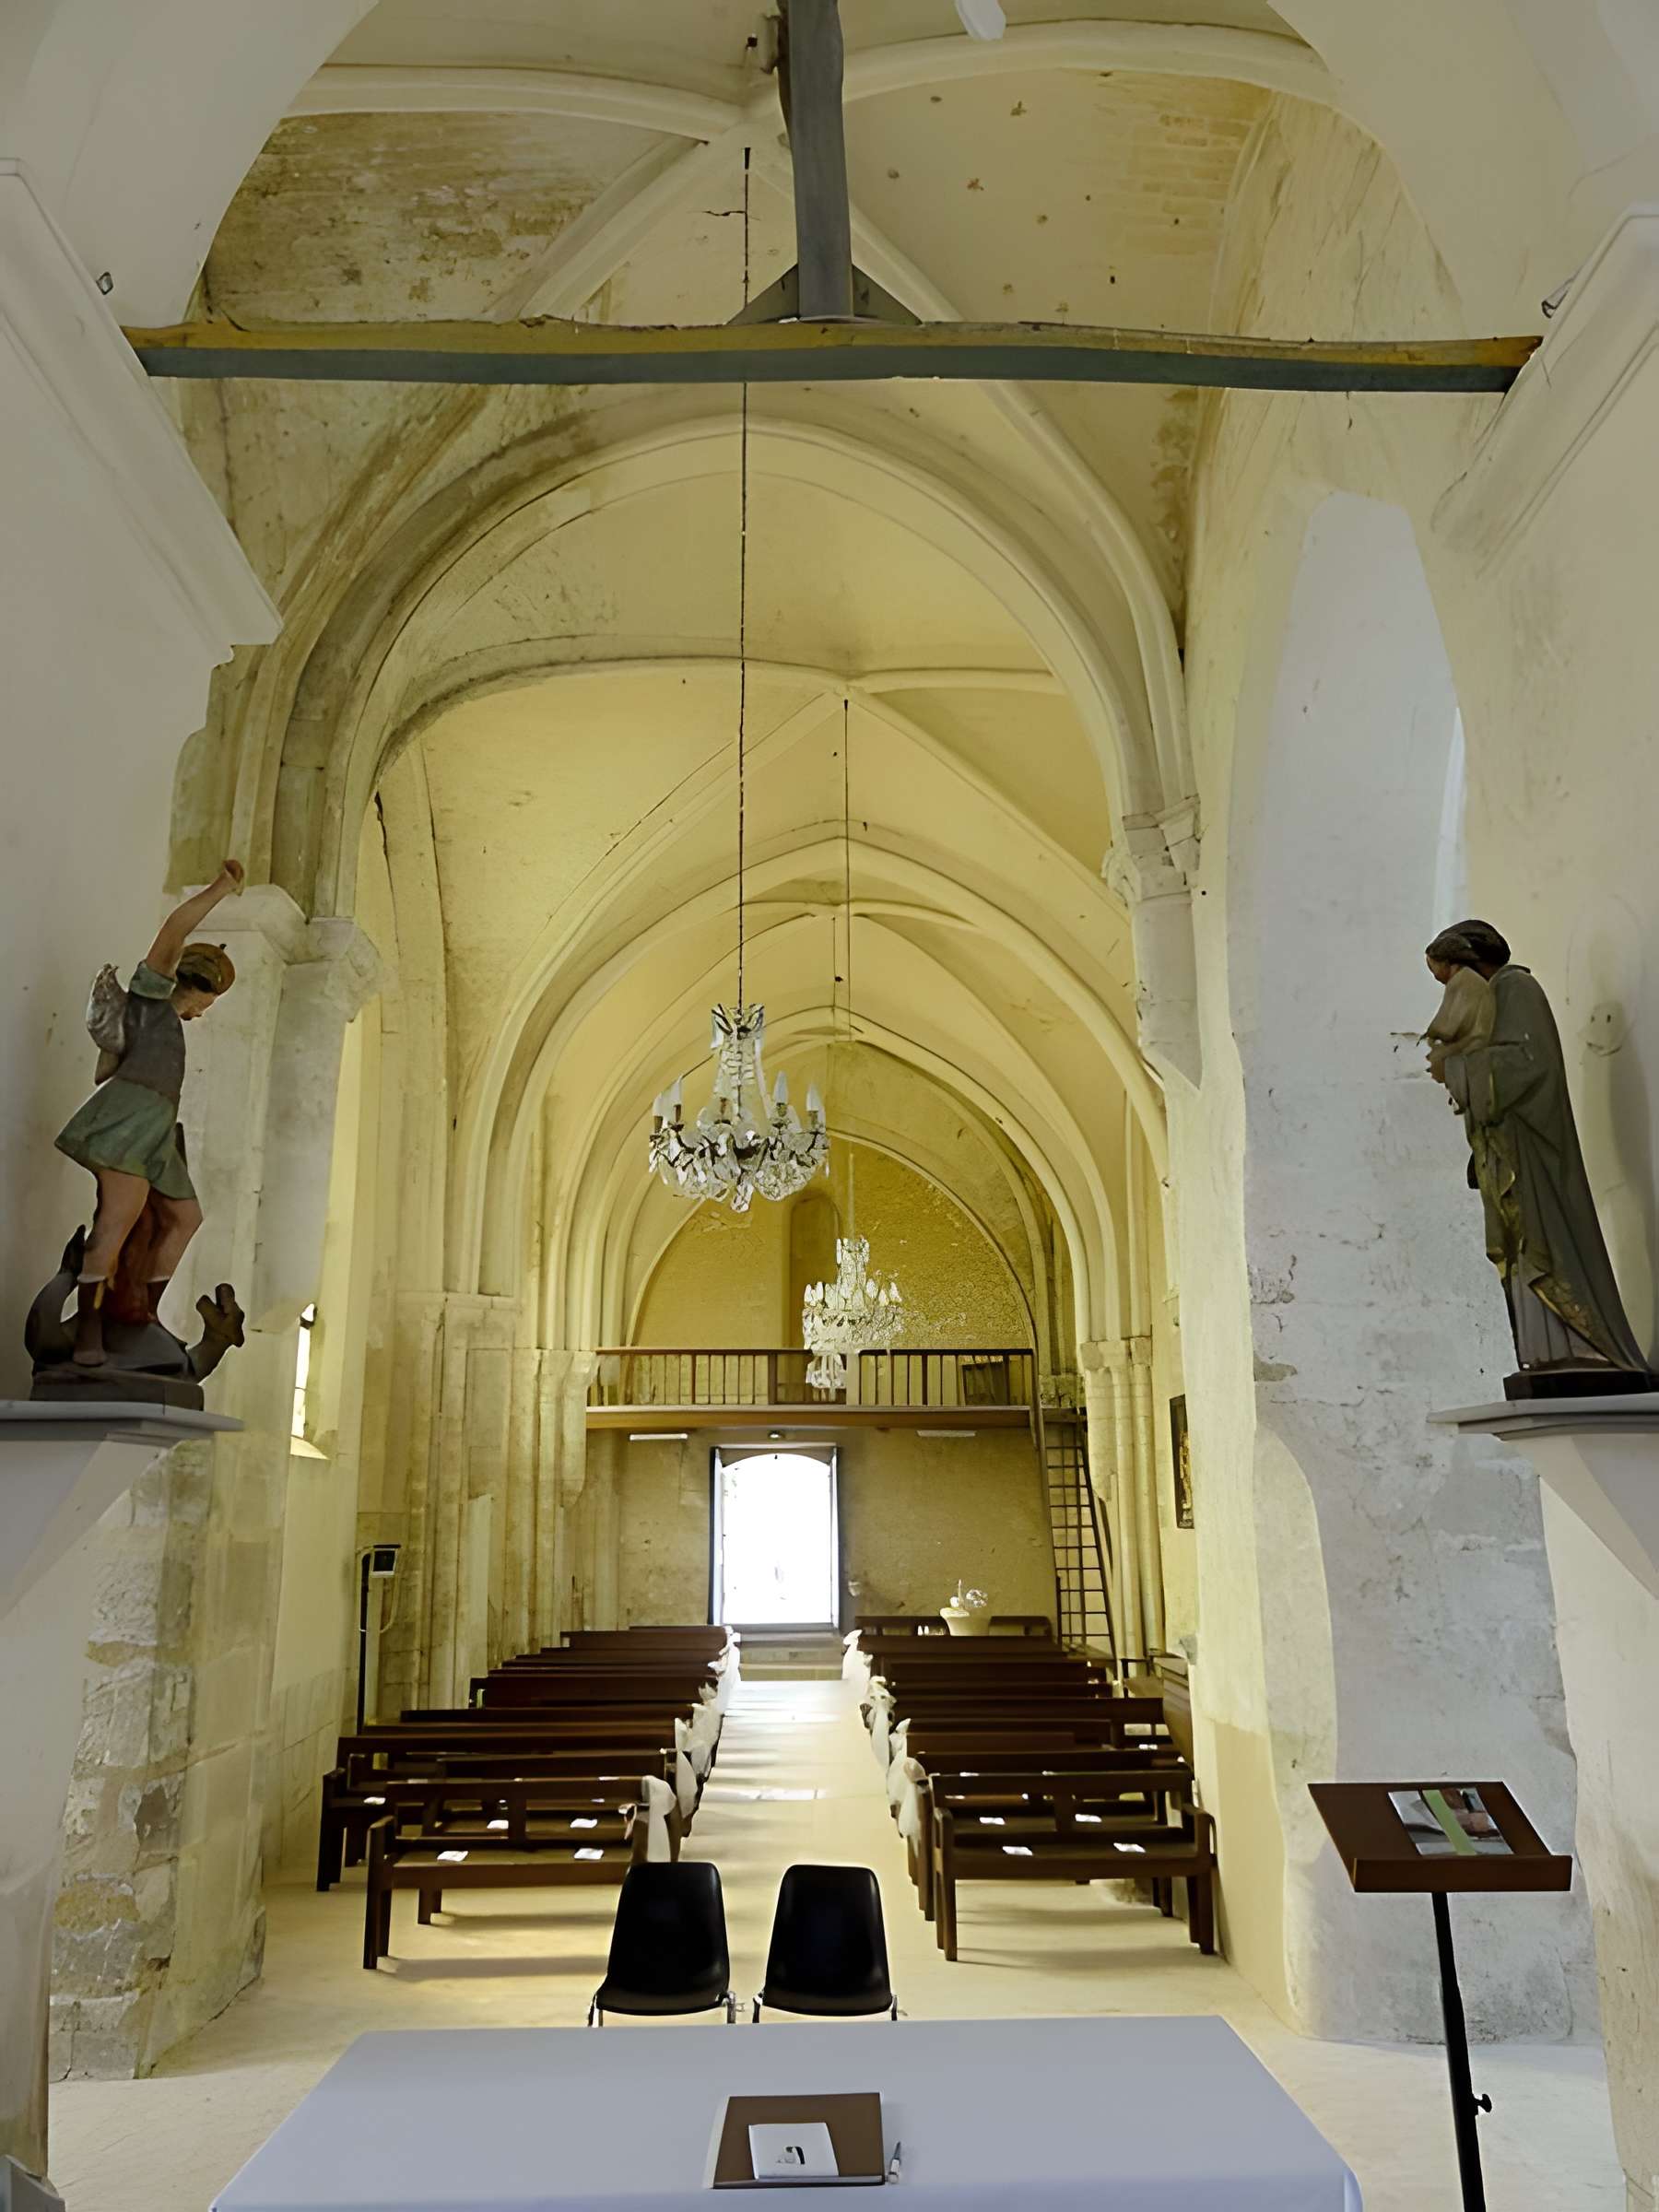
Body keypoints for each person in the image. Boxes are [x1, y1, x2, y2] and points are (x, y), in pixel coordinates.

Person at [1438, 917, 1649, 1379]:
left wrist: (1457, 1071)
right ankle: (1549, 1354)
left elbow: (1526, 1064)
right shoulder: (1494, 1000)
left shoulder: (1516, 990)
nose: (1451, 993)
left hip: (1533, 1152)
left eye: (1450, 978)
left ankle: (1588, 1349)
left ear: (1471, 964)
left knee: (1547, 1244)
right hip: (1507, 1148)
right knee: (1520, 1249)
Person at [55, 861, 243, 1365]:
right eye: (208, 1002)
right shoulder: (151, 994)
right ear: (197, 986)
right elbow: (175, 929)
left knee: (186, 1216)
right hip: (129, 1120)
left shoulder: (172, 1024)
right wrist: (221, 889)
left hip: (157, 1129)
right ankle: (92, 1329)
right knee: (116, 1221)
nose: (203, 1013)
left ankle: (146, 1314)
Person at [1421, 928, 1494, 1092]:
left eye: (1433, 968)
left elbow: (1449, 1026)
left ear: (1446, 963)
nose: (1434, 976)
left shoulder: (1463, 981)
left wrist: (1432, 1035)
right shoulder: (1467, 979)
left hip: (1474, 1047)